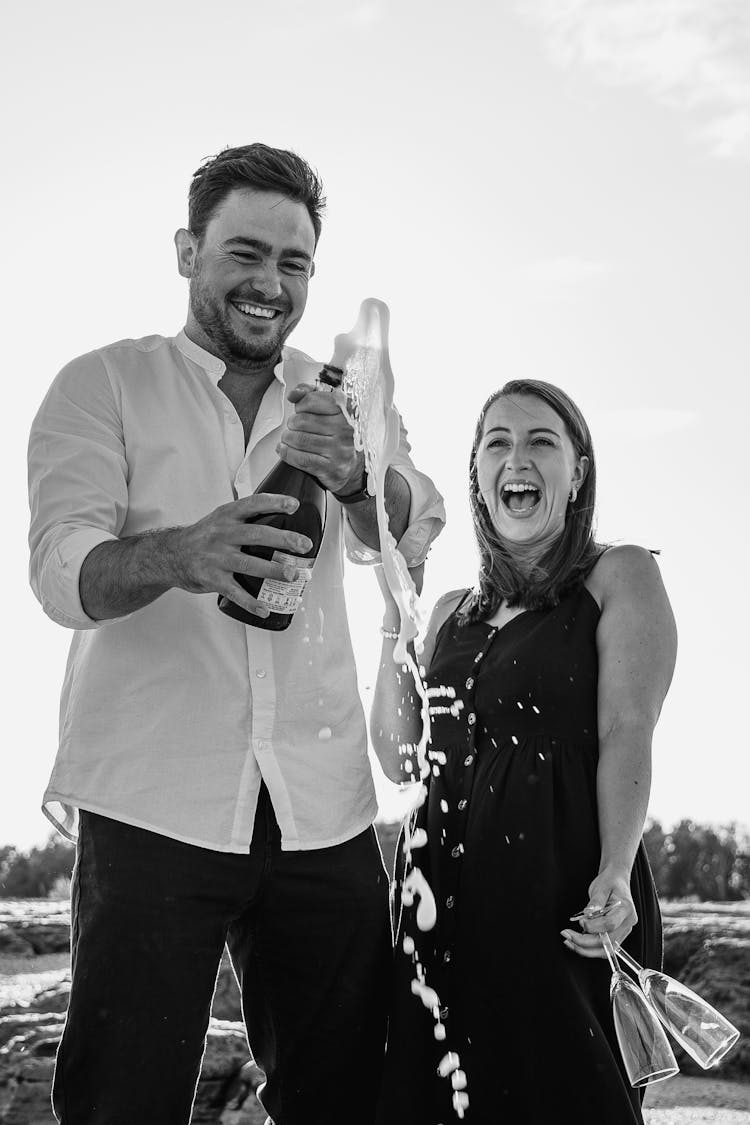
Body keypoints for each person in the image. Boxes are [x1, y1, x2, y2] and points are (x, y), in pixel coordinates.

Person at [27, 143, 445, 1125]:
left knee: (343, 1096)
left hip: (323, 806)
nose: (270, 284)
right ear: (187, 250)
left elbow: (410, 541)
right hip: (150, 802)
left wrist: (355, 478)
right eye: (245, 254)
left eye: (293, 263)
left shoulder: (349, 395)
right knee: (121, 1103)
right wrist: (181, 554)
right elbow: (59, 569)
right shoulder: (101, 386)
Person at [371, 379, 676, 1124]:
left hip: (563, 899)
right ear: (477, 474)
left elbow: (625, 729)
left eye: (543, 441)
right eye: (498, 442)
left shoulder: (619, 574)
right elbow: (398, 754)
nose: (519, 457)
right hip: (438, 907)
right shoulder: (449, 611)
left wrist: (614, 869)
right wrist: (392, 620)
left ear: (577, 473)